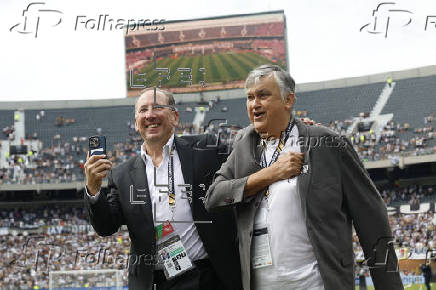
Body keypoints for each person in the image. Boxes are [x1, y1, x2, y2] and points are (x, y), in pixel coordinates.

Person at [204, 64, 403, 290]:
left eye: (263, 95)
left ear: (288, 100)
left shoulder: (326, 143)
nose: (254, 104)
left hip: (318, 284)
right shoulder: (244, 146)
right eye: (249, 97)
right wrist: (270, 174)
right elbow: (213, 197)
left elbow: (371, 217)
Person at [84, 88, 242, 290]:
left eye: (157, 107)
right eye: (143, 110)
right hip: (155, 281)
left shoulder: (206, 148)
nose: (150, 115)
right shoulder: (122, 175)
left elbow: (243, 165)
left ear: (175, 116)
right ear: (136, 122)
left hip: (208, 277)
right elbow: (106, 227)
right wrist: (93, 188)